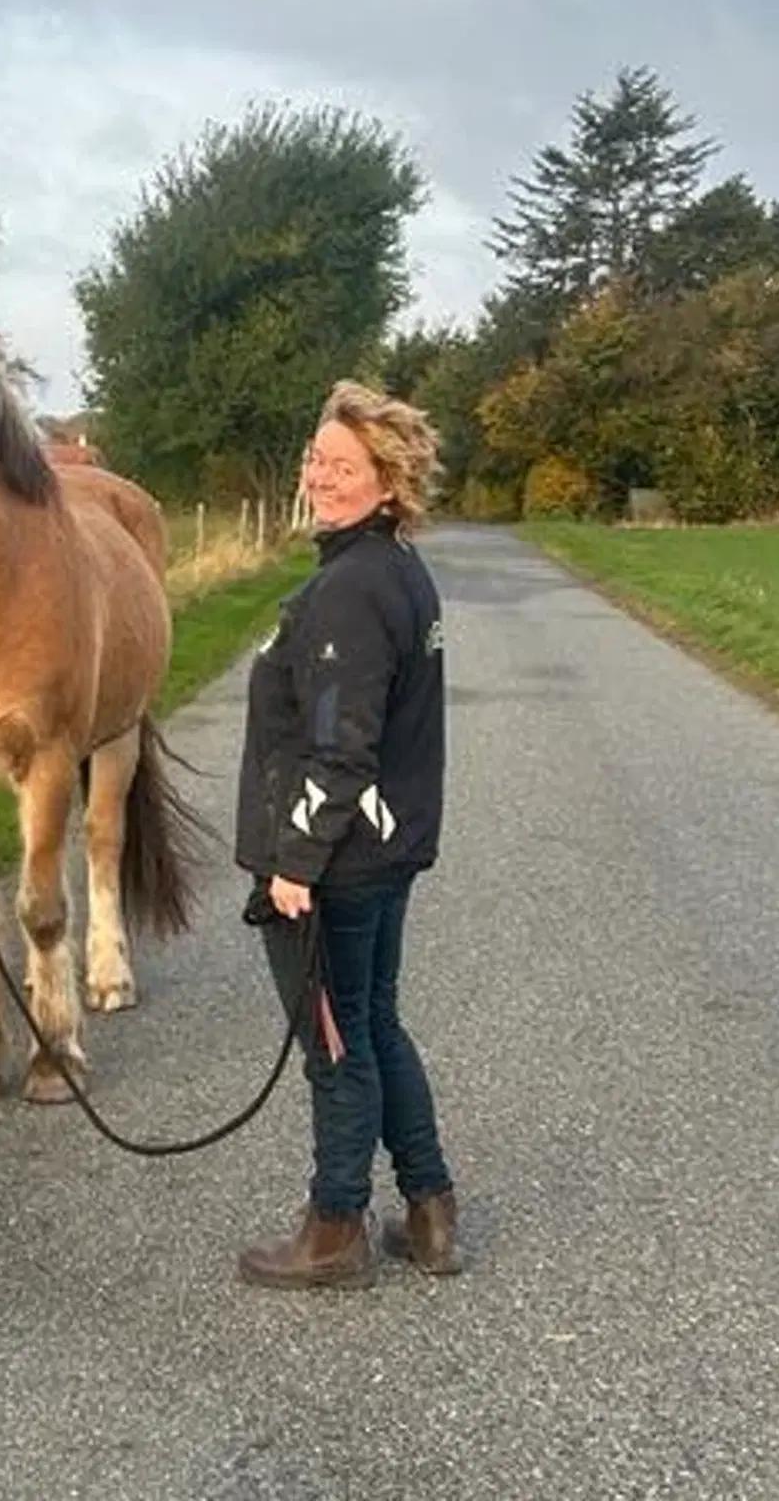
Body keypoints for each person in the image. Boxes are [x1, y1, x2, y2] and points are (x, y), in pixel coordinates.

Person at [234, 379, 460, 1289]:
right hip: (385, 850)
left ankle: (335, 1229)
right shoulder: (395, 569)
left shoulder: (352, 590)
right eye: (315, 459)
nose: (318, 476)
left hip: (341, 862)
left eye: (341, 465)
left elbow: (341, 747)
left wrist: (293, 864)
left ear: (388, 481)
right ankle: (430, 1210)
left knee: (337, 1044)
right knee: (373, 1022)